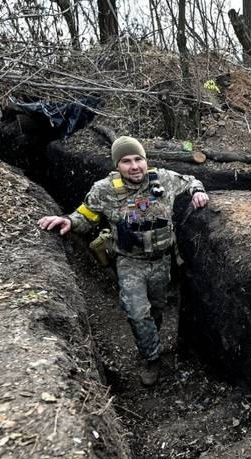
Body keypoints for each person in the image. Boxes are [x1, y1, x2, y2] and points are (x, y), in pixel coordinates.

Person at [38, 136, 209, 386]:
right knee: (138, 313)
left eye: (138, 159)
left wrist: (198, 192)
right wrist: (69, 221)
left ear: (145, 160)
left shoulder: (163, 179)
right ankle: (151, 357)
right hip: (129, 262)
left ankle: (151, 338)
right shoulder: (104, 190)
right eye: (126, 161)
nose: (134, 166)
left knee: (157, 309)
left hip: (162, 261)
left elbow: (192, 181)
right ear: (117, 165)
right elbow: (85, 216)